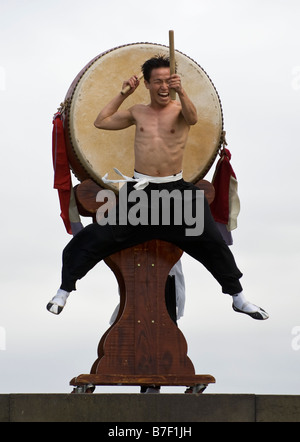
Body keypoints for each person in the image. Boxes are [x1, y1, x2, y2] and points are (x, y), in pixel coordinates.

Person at [47, 55, 268, 321]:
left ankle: (238, 297)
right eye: (158, 82)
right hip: (141, 195)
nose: (164, 87)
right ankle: (64, 290)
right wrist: (122, 93)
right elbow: (101, 121)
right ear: (148, 85)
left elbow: (194, 118)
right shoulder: (138, 111)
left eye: (168, 81)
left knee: (212, 242)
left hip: (177, 194)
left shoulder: (180, 110)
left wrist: (182, 90)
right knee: (96, 237)